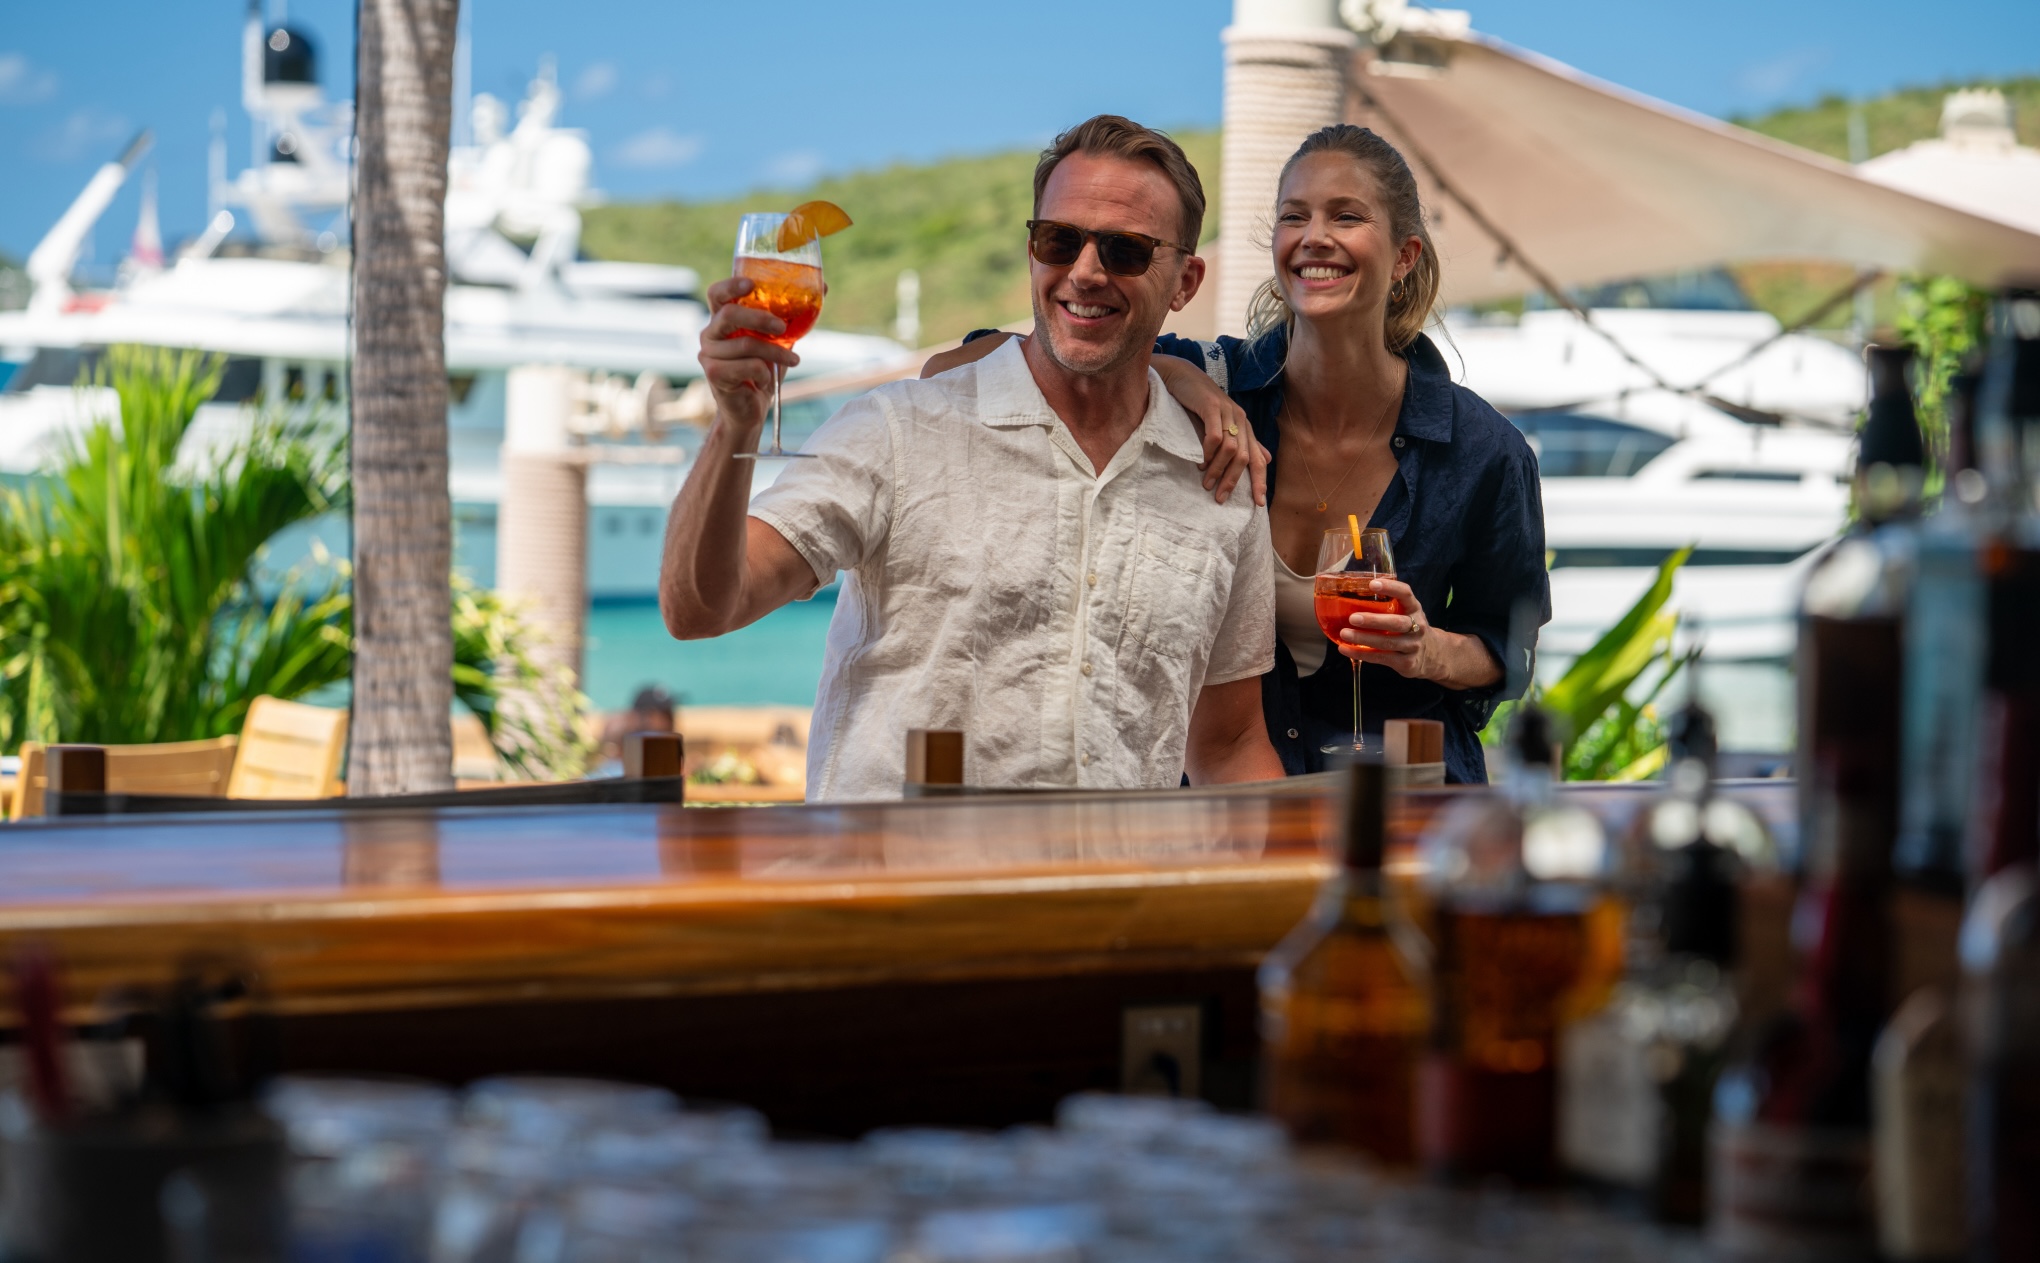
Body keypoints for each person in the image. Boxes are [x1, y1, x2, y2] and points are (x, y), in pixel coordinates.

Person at [659, 115, 1284, 801]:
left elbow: (1228, 746)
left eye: (1126, 251)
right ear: (1031, 250)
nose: (1084, 271)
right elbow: (702, 609)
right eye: (1058, 240)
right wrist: (733, 425)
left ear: (1185, 282)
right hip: (901, 899)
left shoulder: (1222, 480)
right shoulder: (897, 429)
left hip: (1116, 901)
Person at [927, 125, 1548, 783]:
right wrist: (1175, 372)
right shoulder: (1209, 386)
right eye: (1294, 216)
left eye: (1347, 216)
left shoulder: (1484, 451)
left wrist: (1428, 650)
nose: (1315, 235)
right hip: (1225, 804)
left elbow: (1509, 651)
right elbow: (961, 365)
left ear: (1404, 256)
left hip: (1406, 803)